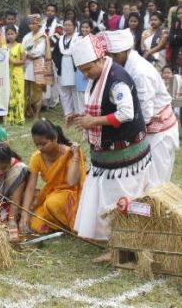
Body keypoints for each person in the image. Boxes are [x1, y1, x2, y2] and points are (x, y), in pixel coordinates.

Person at [70, 35, 152, 256]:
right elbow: (101, 107)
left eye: (88, 69)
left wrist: (93, 121)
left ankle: (124, 245)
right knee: (107, 199)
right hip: (107, 157)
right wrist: (83, 117)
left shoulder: (117, 79)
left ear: (100, 59)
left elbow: (126, 113)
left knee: (120, 201)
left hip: (124, 155)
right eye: (82, 71)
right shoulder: (99, 76)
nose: (85, 75)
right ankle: (115, 241)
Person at [101, 29, 179, 186]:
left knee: (156, 185)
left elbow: (144, 113)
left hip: (159, 134)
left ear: (121, 53)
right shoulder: (126, 66)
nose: (109, 61)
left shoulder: (139, 72)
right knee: (142, 183)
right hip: (146, 131)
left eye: (111, 57)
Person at [19, 119, 86, 234]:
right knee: (36, 224)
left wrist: (75, 156)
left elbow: (72, 182)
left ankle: (72, 223)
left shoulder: (68, 153)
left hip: (73, 194)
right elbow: (30, 188)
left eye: (43, 144)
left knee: (52, 203)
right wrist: (24, 214)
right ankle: (62, 224)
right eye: (37, 144)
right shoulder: (37, 158)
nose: (40, 148)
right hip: (54, 194)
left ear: (55, 138)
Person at [0, 142, 28, 222]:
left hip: (16, 208)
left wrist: (12, 225)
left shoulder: (18, 170)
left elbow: (15, 202)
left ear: (9, 162)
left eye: (4, 168)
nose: (0, 172)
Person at [52, 19, 83, 117]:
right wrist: (58, 63)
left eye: (70, 25)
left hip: (75, 67)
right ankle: (68, 113)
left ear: (74, 26)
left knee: (75, 91)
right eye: (65, 25)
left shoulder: (79, 37)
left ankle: (78, 112)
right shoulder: (60, 39)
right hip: (62, 67)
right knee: (64, 91)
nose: (67, 27)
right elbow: (55, 54)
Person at [22, 14, 48, 119]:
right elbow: (22, 48)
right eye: (31, 23)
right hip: (27, 64)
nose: (32, 25)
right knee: (27, 89)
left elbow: (39, 51)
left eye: (34, 23)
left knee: (38, 89)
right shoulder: (27, 36)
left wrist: (28, 54)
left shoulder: (42, 36)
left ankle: (37, 113)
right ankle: (27, 111)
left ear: (39, 24)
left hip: (38, 63)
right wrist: (27, 54)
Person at [40, 4, 62, 110]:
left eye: (52, 11)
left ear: (55, 13)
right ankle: (45, 101)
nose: (49, 12)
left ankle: (54, 101)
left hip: (53, 54)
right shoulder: (41, 24)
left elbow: (55, 40)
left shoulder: (59, 25)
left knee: (54, 78)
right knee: (44, 77)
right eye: (48, 10)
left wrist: (43, 39)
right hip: (42, 54)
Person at [6, 26, 26, 125]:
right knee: (10, 94)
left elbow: (23, 60)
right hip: (8, 73)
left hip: (17, 72)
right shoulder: (5, 47)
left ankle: (19, 118)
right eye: (8, 34)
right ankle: (11, 117)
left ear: (16, 34)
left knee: (19, 94)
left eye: (12, 34)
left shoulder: (20, 46)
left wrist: (13, 61)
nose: (10, 36)